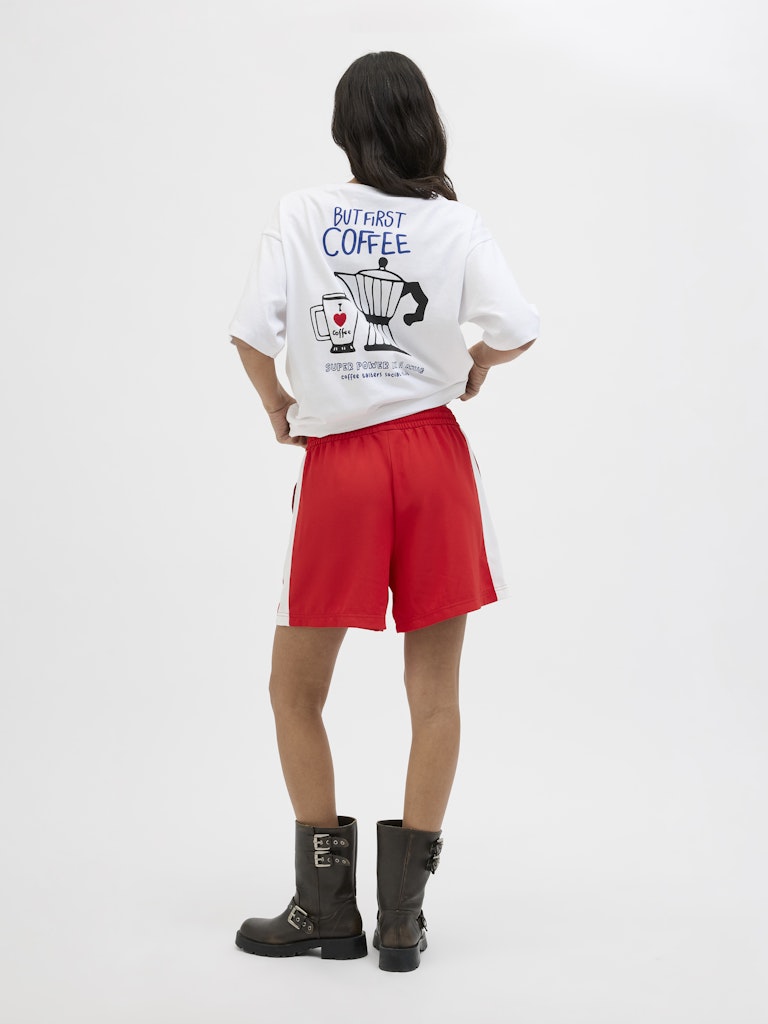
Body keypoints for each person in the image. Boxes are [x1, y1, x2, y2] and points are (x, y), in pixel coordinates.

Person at [227, 51, 540, 972]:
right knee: (435, 699)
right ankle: (402, 921)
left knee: (295, 690)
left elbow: (250, 333)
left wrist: (278, 405)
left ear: (345, 129)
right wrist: (475, 365)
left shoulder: (302, 212)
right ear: (423, 123)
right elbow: (519, 327)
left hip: (344, 467)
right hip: (434, 459)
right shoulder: (455, 223)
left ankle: (326, 911)